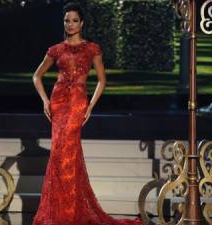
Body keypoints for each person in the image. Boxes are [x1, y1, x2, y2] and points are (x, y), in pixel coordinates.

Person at [32, 2, 143, 225]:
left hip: (77, 103)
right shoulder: (55, 50)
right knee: (58, 155)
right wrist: (45, 101)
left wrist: (90, 105)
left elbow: (102, 80)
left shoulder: (92, 48)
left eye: (74, 20)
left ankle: (69, 213)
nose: (70, 24)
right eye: (66, 20)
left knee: (67, 155)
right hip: (58, 101)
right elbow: (36, 76)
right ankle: (59, 213)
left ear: (81, 23)